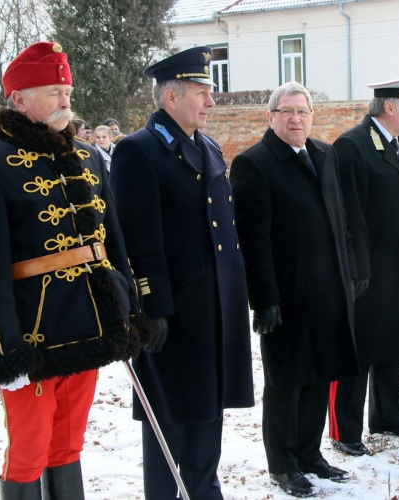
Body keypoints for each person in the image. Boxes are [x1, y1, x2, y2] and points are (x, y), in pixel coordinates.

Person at [0, 41, 147, 499]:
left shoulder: (87, 157)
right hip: (31, 335)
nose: (66, 99)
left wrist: (128, 313)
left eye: (67, 90)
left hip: (89, 325)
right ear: (19, 99)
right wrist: (3, 351)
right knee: (28, 449)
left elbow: (113, 242)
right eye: (53, 91)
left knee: (68, 444)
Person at [110, 46, 255, 500]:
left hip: (215, 307)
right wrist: (152, 308)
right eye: (202, 92)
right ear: (171, 98)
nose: (211, 102)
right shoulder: (138, 150)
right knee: (171, 418)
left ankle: (203, 489)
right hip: (173, 313)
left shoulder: (206, 145)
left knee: (209, 412)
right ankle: (169, 493)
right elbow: (138, 240)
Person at [230, 82, 358, 498]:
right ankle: (282, 463)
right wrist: (263, 300)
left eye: (302, 111)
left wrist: (350, 271)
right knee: (286, 381)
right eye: (286, 112)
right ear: (271, 117)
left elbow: (340, 219)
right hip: (285, 295)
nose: (296, 119)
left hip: (329, 288)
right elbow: (254, 241)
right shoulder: (255, 163)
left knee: (320, 373)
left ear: (312, 116)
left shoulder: (325, 153)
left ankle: (309, 453)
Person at [329, 76, 399, 456]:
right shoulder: (352, 146)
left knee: (392, 343)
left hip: (397, 267)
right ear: (390, 107)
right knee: (358, 351)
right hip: (365, 272)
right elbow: (347, 216)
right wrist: (355, 269)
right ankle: (344, 430)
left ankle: (389, 416)